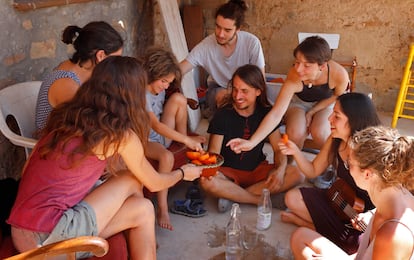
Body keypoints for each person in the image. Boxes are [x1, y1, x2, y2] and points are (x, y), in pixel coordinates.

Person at [7, 56, 203, 260]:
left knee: (143, 208)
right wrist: (183, 173)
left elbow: (28, 168)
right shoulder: (119, 135)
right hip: (47, 240)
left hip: (22, 232)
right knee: (133, 181)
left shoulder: (67, 115)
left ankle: (142, 237)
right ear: (133, 94)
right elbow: (153, 183)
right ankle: (142, 238)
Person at [276, 92, 381, 253]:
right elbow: (312, 171)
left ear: (354, 120)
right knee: (292, 198)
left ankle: (307, 224)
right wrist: (295, 151)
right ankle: (323, 230)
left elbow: (392, 199)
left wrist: (371, 215)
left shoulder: (374, 151)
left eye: (336, 116)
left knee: (354, 245)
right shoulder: (335, 139)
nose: (329, 119)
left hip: (361, 217)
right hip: (339, 200)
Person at [290, 126, 414, 260]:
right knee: (300, 236)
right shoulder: (394, 196)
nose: (347, 169)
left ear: (367, 174)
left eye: (349, 165)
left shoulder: (392, 235)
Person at [199, 64, 304, 213]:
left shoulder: (266, 113)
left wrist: (280, 170)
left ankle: (232, 195)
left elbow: (277, 148)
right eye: (235, 89)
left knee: (296, 174)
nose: (237, 96)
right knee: (206, 181)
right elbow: (214, 154)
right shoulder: (222, 114)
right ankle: (257, 199)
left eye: (244, 91)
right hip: (228, 172)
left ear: (258, 91)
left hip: (257, 171)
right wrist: (207, 165)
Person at [227, 36, 349, 152]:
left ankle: (333, 166)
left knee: (321, 132)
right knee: (296, 133)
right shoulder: (294, 75)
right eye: (297, 62)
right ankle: (291, 166)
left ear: (322, 66)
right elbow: (276, 113)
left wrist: (313, 112)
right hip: (298, 103)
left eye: (306, 65)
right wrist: (252, 142)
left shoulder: (339, 75)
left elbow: (336, 96)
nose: (299, 69)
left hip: (324, 103)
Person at [142, 47, 206, 230]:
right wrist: (187, 141)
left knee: (179, 98)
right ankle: (162, 209)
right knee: (166, 157)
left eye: (169, 82)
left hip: (162, 135)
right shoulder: (140, 92)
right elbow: (155, 125)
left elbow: (170, 100)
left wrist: (188, 102)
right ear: (152, 73)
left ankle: (183, 138)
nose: (166, 86)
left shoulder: (161, 86)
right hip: (145, 138)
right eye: (163, 81)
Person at [179, 0, 265, 114]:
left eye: (227, 30)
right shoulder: (206, 46)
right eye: (218, 27)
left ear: (238, 29)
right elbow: (180, 69)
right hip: (218, 89)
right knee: (226, 97)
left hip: (245, 90)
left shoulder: (252, 43)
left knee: (245, 100)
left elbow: (260, 79)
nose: (220, 34)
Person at [35, 21, 123, 131]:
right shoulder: (67, 83)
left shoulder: (87, 71)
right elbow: (87, 125)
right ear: (100, 55)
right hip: (54, 144)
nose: (116, 65)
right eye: (115, 59)